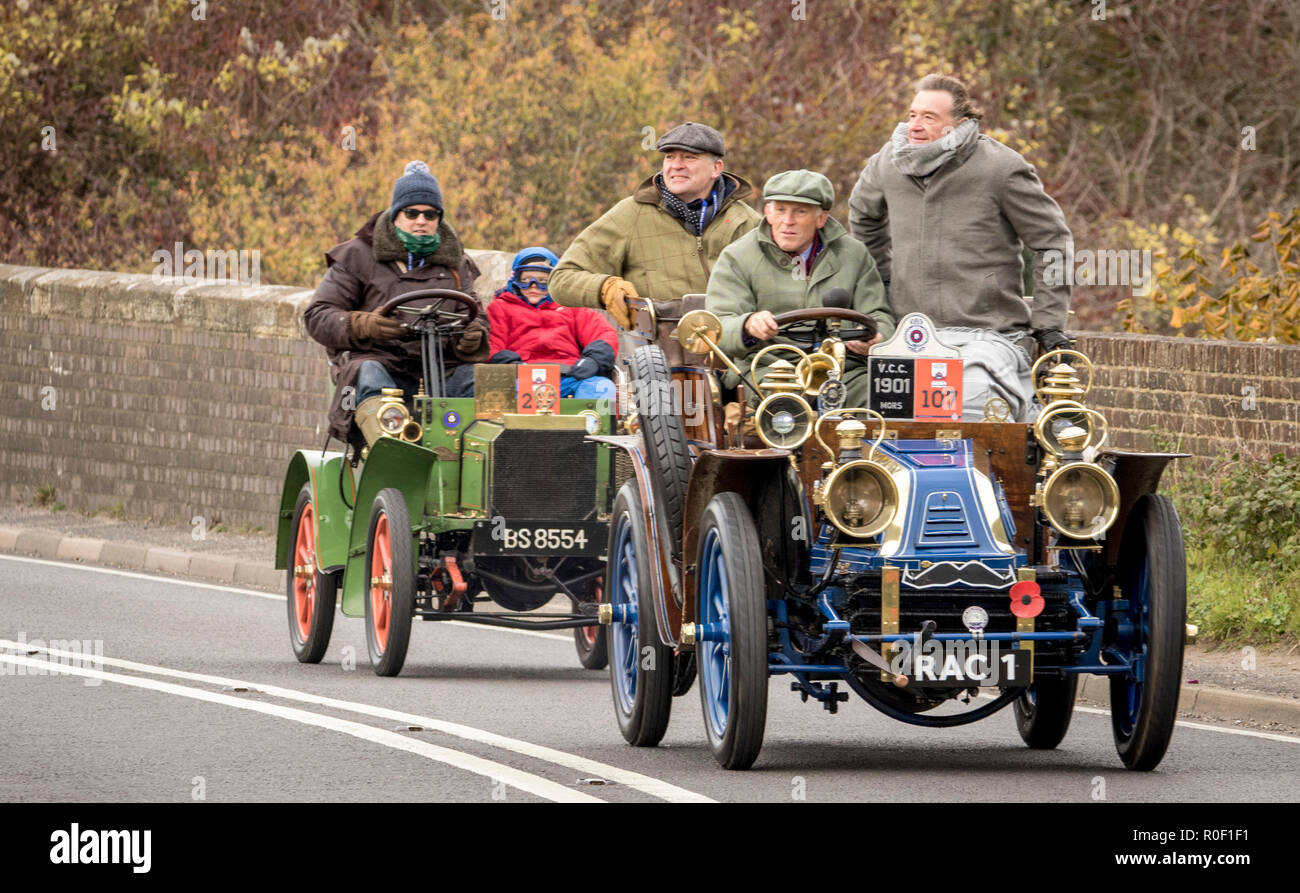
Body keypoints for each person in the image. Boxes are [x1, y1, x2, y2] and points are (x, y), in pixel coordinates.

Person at [848, 74, 1073, 421]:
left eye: (929, 117)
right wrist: (885, 285)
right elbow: (863, 218)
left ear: (960, 125)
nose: (916, 126)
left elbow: (1053, 241)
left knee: (970, 415)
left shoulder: (1000, 168)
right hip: (911, 335)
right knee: (879, 428)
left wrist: (1048, 322)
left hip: (988, 336)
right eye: (912, 115)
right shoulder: (887, 163)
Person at [304, 161, 488, 445]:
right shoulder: (358, 255)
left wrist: (473, 336)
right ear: (395, 215)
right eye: (411, 212)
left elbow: (475, 315)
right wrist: (363, 324)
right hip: (382, 362)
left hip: (442, 367)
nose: (421, 221)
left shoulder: (456, 263)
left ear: (439, 219)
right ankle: (391, 454)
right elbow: (317, 315)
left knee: (481, 383)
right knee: (369, 374)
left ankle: (475, 459)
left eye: (430, 214)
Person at [707, 169, 895, 406]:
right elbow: (718, 327)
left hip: (844, 372)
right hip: (769, 369)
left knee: (885, 397)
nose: (788, 221)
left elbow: (879, 315)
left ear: (821, 218)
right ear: (768, 212)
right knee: (785, 405)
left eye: (800, 211)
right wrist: (748, 324)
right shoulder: (737, 257)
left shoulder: (854, 255)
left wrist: (877, 337)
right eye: (780, 210)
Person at [549, 122, 762, 327]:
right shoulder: (631, 214)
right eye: (670, 157)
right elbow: (561, 279)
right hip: (657, 357)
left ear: (716, 168)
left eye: (689, 157)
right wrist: (605, 288)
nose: (676, 165)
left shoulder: (747, 221)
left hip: (736, 357)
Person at [487, 247, 617, 400]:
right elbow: (491, 345)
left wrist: (593, 360)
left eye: (543, 281)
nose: (534, 286)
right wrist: (510, 364)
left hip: (570, 377)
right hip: (521, 377)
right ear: (515, 280)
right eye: (526, 280)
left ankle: (589, 422)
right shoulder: (501, 307)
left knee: (602, 388)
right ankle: (518, 424)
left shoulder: (571, 307)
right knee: (499, 393)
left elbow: (603, 334)